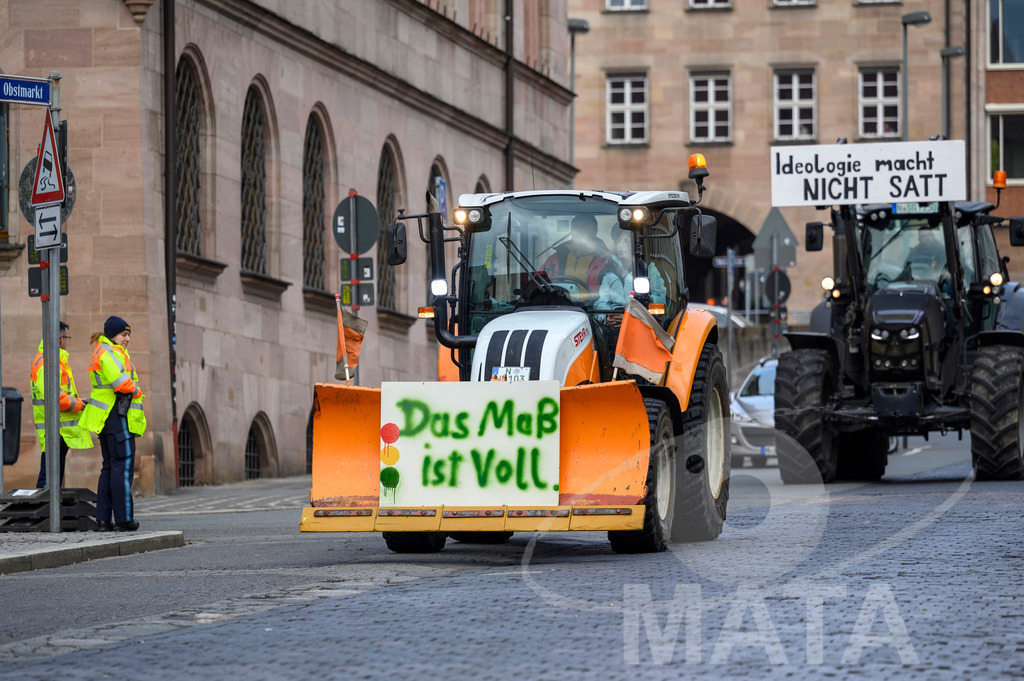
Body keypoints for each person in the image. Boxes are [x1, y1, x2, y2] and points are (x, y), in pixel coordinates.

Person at [80, 317, 146, 532]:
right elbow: (121, 383)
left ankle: (103, 520)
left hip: (107, 417)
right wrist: (137, 391)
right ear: (112, 335)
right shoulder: (107, 351)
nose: (127, 339)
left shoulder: (106, 350)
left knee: (109, 467)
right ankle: (124, 519)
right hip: (116, 417)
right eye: (123, 335)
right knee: (122, 467)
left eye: (129, 335)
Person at [30, 321, 92, 489]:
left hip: (58, 429)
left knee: (52, 478)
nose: (67, 342)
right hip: (54, 429)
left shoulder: (51, 361)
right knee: (49, 480)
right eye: (66, 337)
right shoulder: (47, 362)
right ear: (59, 339)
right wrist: (79, 404)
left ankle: (48, 512)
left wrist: (79, 402)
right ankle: (46, 513)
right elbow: (56, 398)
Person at [541, 214, 620, 291]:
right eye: (575, 227)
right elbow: (537, 281)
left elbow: (611, 294)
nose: (579, 231)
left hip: (593, 304)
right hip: (558, 303)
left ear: (595, 231)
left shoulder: (608, 261)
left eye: (584, 227)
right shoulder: (555, 258)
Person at [597, 229, 667, 307]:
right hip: (616, 316)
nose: (620, 246)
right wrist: (608, 316)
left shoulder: (648, 270)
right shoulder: (609, 271)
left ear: (634, 244)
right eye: (618, 242)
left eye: (626, 241)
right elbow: (601, 302)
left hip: (639, 316)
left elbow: (659, 298)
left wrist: (644, 302)